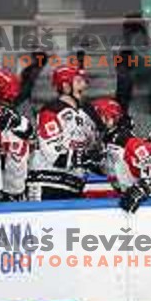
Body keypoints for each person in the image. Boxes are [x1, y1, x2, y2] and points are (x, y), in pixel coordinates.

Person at [80, 0, 149, 112]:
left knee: (123, 69)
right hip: (103, 24)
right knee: (81, 52)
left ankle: (121, 111)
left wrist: (106, 0)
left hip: (126, 23)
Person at [28, 65, 104, 200]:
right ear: (65, 86)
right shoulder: (50, 111)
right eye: (79, 81)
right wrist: (87, 157)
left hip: (74, 185)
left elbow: (96, 150)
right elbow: (56, 155)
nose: (84, 86)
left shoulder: (87, 114)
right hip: (48, 183)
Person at [91, 97, 151, 212]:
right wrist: (94, 164)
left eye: (99, 116)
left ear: (111, 117)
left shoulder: (123, 138)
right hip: (131, 199)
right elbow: (114, 170)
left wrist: (141, 189)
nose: (95, 121)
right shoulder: (108, 141)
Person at [0, 69, 34, 200]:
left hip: (8, 190)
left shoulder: (19, 122)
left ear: (0, 92)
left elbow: (27, 130)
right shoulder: (20, 121)